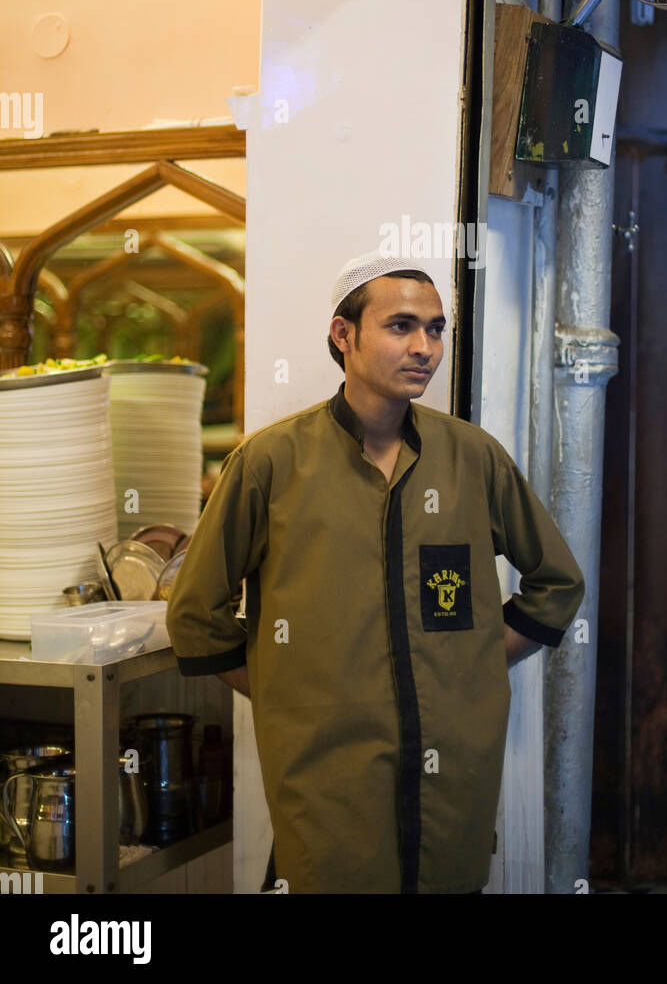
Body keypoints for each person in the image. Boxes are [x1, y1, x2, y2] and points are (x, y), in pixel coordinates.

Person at [166, 250, 585, 894]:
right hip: (326, 771)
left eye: (437, 329)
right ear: (344, 334)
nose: (425, 347)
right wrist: (286, 692)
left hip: (455, 765)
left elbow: (558, 582)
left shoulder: (471, 458)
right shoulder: (272, 463)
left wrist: (473, 663)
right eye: (401, 326)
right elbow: (197, 614)